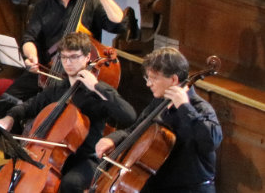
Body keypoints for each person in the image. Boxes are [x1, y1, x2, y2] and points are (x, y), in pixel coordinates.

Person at [0, 32, 136, 193]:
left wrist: (96, 86)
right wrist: (10, 117)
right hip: (50, 156)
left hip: (85, 159)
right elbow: (29, 106)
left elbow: (129, 115)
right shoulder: (58, 88)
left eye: (74, 57)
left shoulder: (99, 91)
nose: (68, 63)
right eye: (64, 57)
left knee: (70, 184)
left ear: (87, 57)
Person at [0, 0, 126, 114]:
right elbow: (29, 38)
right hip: (45, 71)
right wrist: (32, 57)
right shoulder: (43, 5)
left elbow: (118, 25)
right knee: (4, 105)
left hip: (75, 76)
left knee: (54, 112)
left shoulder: (91, 2)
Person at [95, 47, 222, 192]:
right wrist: (112, 139)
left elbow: (211, 141)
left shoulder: (201, 108)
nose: (148, 83)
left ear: (173, 79)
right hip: (157, 185)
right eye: (148, 78)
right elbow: (135, 130)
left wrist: (184, 108)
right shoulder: (159, 102)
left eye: (154, 78)